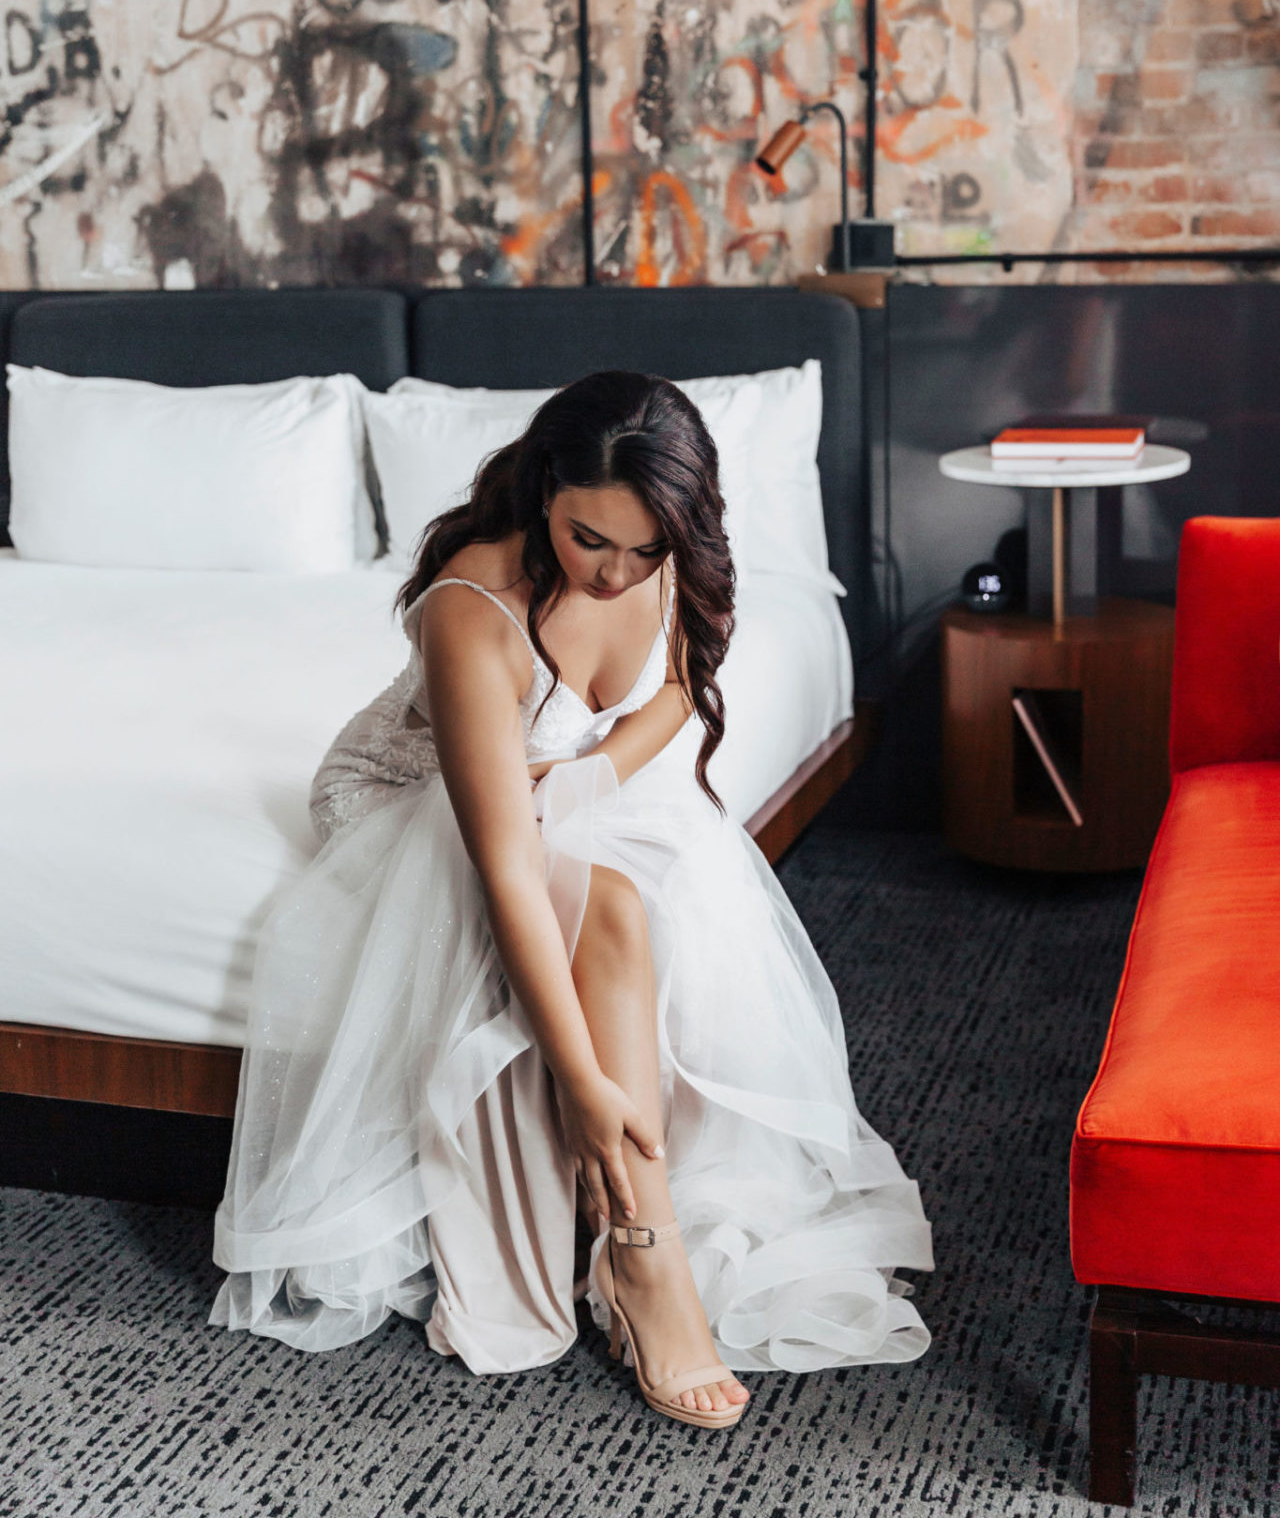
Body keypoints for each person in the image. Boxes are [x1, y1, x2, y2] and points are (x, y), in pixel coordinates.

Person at [211, 370, 932, 1427]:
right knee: (611, 909)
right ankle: (646, 1254)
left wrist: (576, 776)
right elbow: (506, 868)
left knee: (626, 900)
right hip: (408, 790)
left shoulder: (661, 544)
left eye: (643, 550)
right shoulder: (473, 606)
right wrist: (583, 1084)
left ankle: (638, 1247)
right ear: (545, 489)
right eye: (589, 539)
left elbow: (676, 692)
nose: (616, 572)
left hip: (552, 775)